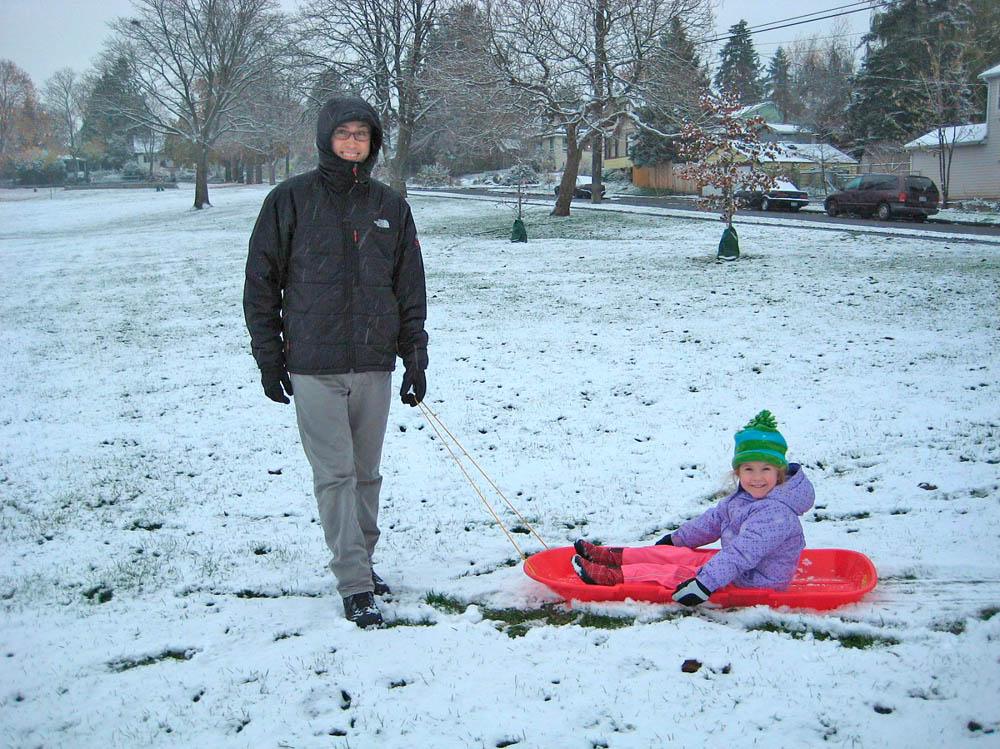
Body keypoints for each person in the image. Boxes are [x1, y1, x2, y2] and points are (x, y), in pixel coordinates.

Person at [244, 95, 428, 628]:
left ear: (373, 143)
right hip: (314, 365)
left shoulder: (390, 206)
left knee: (366, 475)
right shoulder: (290, 200)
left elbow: (409, 286)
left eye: (361, 135)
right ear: (327, 138)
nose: (352, 142)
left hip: (373, 362)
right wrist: (269, 357)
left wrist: (415, 355)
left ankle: (362, 564)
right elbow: (261, 283)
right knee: (335, 475)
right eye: (344, 133)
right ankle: (354, 583)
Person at [571, 410, 814, 606]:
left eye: (766, 469)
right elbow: (711, 522)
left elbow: (742, 554)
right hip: (738, 568)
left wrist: (704, 583)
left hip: (754, 581)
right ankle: (614, 557)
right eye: (749, 469)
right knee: (676, 555)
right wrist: (676, 541)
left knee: (676, 573)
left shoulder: (775, 514)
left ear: (779, 473)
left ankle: (614, 576)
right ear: (738, 472)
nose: (757, 477)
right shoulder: (744, 498)